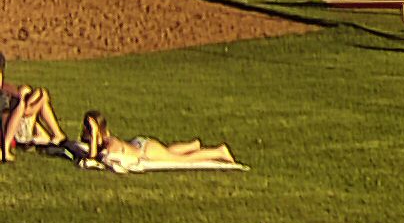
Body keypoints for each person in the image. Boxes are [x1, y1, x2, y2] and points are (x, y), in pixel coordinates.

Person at [81, 110, 237, 166]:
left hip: (147, 151)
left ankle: (219, 151)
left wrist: (94, 134)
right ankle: (192, 145)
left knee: (182, 160)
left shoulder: (108, 143)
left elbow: (92, 159)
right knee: (168, 152)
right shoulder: (107, 137)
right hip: (143, 145)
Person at [0, 51, 71, 162]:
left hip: (20, 126)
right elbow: (25, 111)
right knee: (39, 94)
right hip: (19, 133)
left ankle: (56, 134)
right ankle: (57, 134)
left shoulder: (6, 90)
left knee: (28, 91)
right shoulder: (5, 95)